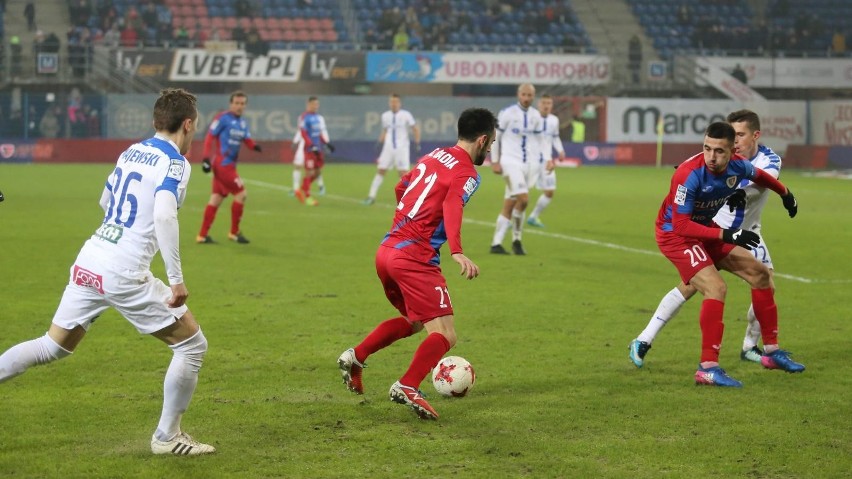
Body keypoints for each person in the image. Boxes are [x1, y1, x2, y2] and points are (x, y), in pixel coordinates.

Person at [0, 88, 215, 455]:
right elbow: (164, 214)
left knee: (53, 346)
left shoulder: (130, 150)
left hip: (92, 257)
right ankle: (167, 438)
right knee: (192, 346)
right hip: (124, 270)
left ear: (154, 122)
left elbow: (105, 200)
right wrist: (175, 278)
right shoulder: (176, 162)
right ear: (189, 123)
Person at [337, 107, 497, 420]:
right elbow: (452, 203)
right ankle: (408, 385)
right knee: (446, 334)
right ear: (482, 140)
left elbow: (402, 186)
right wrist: (457, 251)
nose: (490, 149)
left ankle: (356, 356)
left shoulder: (434, 155)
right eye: (491, 143)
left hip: (387, 249)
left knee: (416, 320)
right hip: (414, 256)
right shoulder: (468, 173)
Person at [642, 121, 802, 387]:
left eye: (719, 151)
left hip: (705, 228)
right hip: (675, 235)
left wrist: (785, 193)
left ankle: (772, 352)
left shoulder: (739, 166)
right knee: (716, 287)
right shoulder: (687, 174)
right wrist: (728, 235)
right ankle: (707, 367)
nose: (711, 157)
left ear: (732, 152)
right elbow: (681, 225)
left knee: (760, 275)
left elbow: (760, 176)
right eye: (707, 149)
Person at [197, 91, 261, 244]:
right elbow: (209, 137)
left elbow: (247, 139)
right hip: (223, 165)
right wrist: (206, 158)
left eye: (242, 103)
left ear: (245, 105)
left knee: (216, 198)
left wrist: (254, 146)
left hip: (229, 165)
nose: (239, 106)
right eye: (237, 103)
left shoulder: (242, 122)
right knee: (241, 194)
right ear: (231, 104)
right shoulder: (223, 118)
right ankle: (234, 232)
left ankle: (202, 235)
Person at [489, 83, 543, 255]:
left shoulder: (536, 116)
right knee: (524, 199)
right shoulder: (507, 113)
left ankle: (499, 243)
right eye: (524, 94)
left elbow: (540, 141)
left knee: (511, 203)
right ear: (518, 95)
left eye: (530, 95)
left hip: (528, 165)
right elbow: (496, 136)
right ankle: (516, 239)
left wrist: (543, 161)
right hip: (510, 162)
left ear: (534, 96)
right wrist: (495, 160)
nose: (527, 98)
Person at [363, 93, 421, 205]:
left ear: (400, 103)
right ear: (389, 103)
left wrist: (417, 143)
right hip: (388, 147)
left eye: (396, 102)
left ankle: (408, 200)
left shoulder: (406, 115)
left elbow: (415, 129)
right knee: (381, 170)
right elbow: (385, 131)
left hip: (402, 148)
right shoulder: (385, 116)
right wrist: (379, 143)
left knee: (403, 173)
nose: (394, 104)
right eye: (392, 102)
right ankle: (371, 196)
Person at [526, 94, 565, 228]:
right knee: (521, 192)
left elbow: (555, 137)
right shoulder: (531, 119)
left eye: (549, 103)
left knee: (549, 192)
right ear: (539, 104)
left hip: (547, 162)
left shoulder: (554, 120)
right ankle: (509, 218)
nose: (546, 105)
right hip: (531, 160)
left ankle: (533, 217)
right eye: (544, 103)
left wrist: (560, 150)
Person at [294, 96, 334, 206]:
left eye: (317, 104)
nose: (315, 106)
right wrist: (311, 145)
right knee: (309, 172)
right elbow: (303, 133)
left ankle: (303, 187)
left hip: (318, 149)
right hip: (309, 150)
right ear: (308, 104)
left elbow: (318, 133)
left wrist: (326, 143)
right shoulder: (304, 117)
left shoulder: (317, 117)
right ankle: (307, 197)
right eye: (313, 104)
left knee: (318, 172)